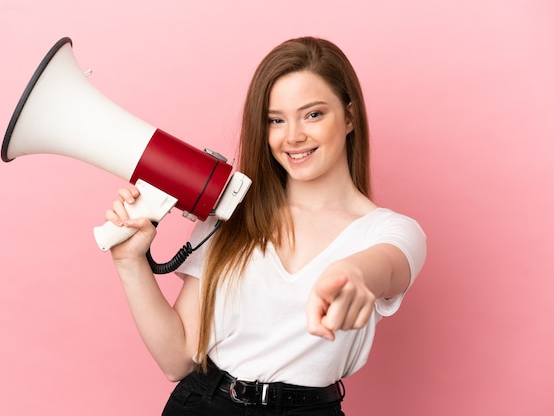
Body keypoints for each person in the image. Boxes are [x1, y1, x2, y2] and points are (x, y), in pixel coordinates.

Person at [104, 36, 427, 416]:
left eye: (313, 114)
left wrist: (352, 274)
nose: (293, 136)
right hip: (202, 404)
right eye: (276, 120)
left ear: (350, 116)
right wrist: (130, 262)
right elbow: (177, 360)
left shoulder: (392, 231)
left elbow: (386, 266)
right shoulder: (232, 213)